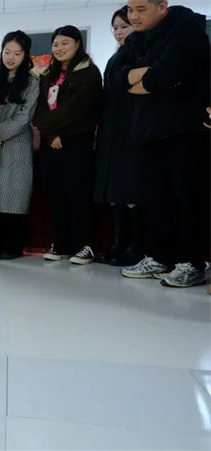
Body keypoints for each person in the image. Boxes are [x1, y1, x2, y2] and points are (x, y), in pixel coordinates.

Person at [116, 0, 210, 287]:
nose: (133, 16)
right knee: (156, 199)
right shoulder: (137, 39)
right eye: (130, 9)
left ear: (162, 6)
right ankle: (161, 257)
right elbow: (114, 77)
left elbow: (169, 73)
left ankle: (192, 263)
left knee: (187, 199)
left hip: (185, 129)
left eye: (141, 9)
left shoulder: (186, 28)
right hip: (149, 130)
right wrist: (143, 77)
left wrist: (139, 80)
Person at [33, 25, 102, 265]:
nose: (59, 48)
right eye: (55, 44)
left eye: (65, 43)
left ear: (77, 44)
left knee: (78, 193)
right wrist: (51, 134)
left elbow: (78, 109)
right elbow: (39, 109)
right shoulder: (47, 74)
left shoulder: (89, 72)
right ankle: (62, 243)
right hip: (50, 144)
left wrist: (58, 131)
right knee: (56, 194)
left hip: (77, 142)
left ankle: (85, 245)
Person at [0, 30, 40, 260]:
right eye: (7, 52)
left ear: (25, 55)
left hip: (15, 144)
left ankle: (13, 245)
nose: (11, 57)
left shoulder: (32, 82)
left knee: (13, 193)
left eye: (17, 53)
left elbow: (24, 117)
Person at [94, 6, 144, 267]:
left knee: (132, 190)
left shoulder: (142, 53)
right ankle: (118, 245)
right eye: (115, 28)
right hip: (112, 131)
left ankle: (135, 248)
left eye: (124, 26)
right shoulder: (117, 56)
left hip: (134, 130)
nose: (119, 32)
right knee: (115, 191)